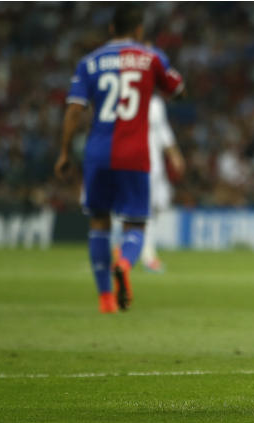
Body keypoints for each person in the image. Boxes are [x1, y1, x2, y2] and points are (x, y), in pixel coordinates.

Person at [54, 5, 184, 313]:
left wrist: (64, 152)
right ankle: (124, 264)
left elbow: (74, 110)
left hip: (97, 153)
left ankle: (105, 299)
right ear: (139, 30)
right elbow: (177, 89)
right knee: (135, 223)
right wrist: (157, 67)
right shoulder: (151, 58)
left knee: (99, 222)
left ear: (111, 29)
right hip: (135, 155)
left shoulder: (90, 62)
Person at [140, 94, 185, 272]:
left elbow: (163, 131)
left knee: (159, 205)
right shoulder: (132, 99)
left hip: (156, 167)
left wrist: (174, 154)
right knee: (146, 210)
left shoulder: (156, 103)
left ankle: (132, 247)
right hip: (139, 164)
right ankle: (147, 255)